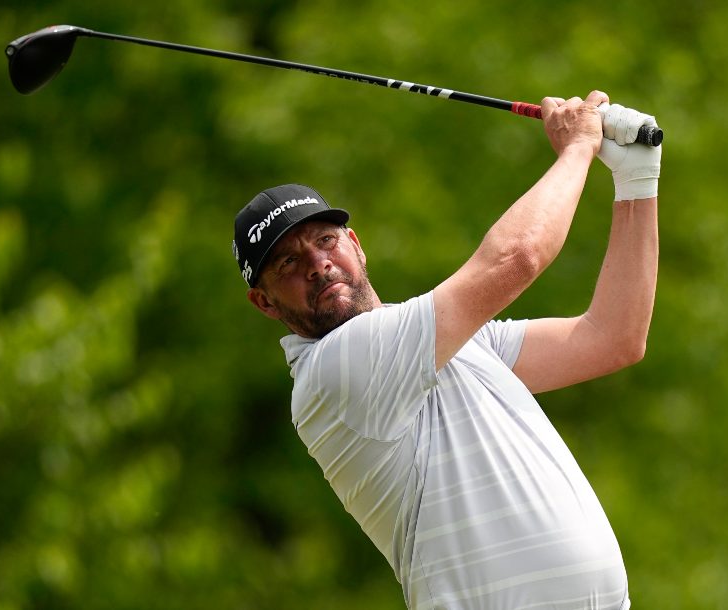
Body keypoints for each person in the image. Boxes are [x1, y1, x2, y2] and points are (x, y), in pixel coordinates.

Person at [232, 90, 660, 610]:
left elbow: (613, 338)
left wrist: (637, 179)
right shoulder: (334, 370)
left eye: (324, 240)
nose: (316, 264)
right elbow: (518, 258)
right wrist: (577, 150)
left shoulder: (460, 343)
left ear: (355, 243)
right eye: (287, 265)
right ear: (264, 303)